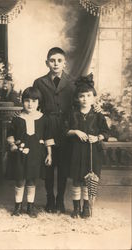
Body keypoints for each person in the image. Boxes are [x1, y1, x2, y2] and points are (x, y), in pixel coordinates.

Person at [33, 47, 76, 213]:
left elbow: (78, 104)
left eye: (59, 60)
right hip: (47, 125)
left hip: (66, 128)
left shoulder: (72, 82)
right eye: (52, 60)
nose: (56, 63)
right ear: (46, 63)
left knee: (63, 166)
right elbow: (36, 105)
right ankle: (50, 198)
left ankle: (60, 200)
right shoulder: (39, 82)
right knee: (48, 164)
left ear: (65, 63)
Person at [7, 87, 54, 218]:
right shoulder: (17, 118)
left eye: (34, 101)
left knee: (32, 180)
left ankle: (30, 207)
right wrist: (12, 144)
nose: (30, 104)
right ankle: (17, 207)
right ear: (22, 102)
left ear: (39, 102)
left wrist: (49, 154)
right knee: (20, 180)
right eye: (27, 100)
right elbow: (10, 135)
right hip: (20, 155)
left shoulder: (43, 119)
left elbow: (48, 138)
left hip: (36, 154)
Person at [67, 74, 109, 218]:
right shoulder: (73, 114)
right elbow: (64, 130)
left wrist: (97, 137)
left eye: (88, 96)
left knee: (88, 180)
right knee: (77, 180)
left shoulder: (98, 115)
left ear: (94, 98)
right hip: (76, 152)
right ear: (77, 98)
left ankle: (86, 207)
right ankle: (76, 208)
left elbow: (106, 132)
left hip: (92, 152)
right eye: (82, 96)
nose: (85, 99)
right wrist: (75, 131)